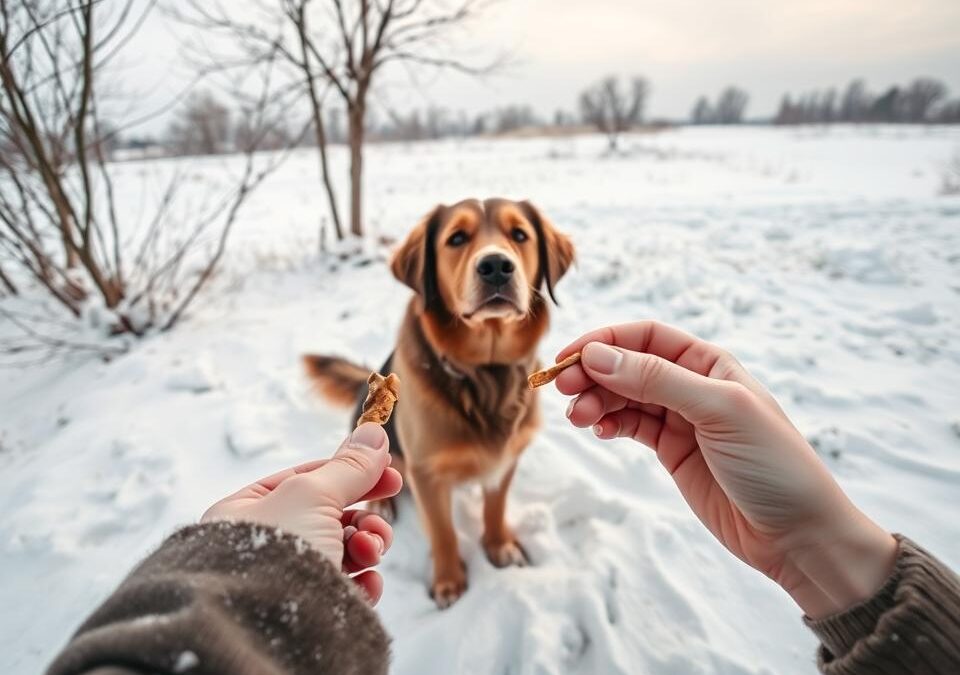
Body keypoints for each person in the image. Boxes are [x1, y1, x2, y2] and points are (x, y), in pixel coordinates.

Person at [48, 322, 959, 675]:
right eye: (464, 247)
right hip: (400, 452)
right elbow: (426, 458)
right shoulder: (410, 374)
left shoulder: (526, 377)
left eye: (514, 244)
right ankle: (442, 550)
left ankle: (480, 530)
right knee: (420, 477)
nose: (491, 261)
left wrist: (811, 540)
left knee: (495, 469)